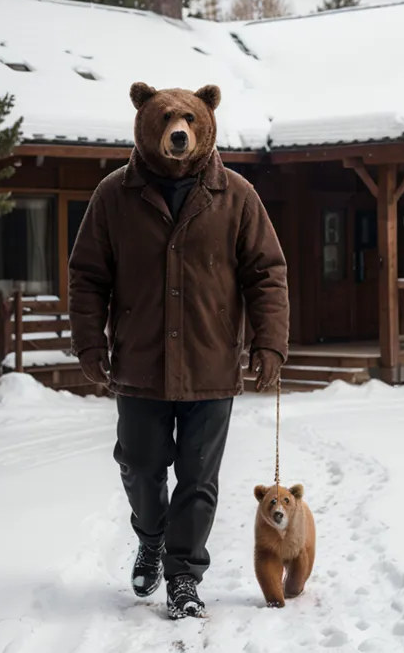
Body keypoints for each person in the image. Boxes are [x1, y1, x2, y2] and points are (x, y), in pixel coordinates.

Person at [69, 82, 289, 619]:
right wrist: (88, 342)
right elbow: (87, 277)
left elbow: (267, 274)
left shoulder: (236, 195)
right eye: (167, 119)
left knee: (197, 479)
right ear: (145, 120)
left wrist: (270, 343)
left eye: (189, 119)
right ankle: (151, 536)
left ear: (206, 120)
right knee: (140, 465)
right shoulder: (112, 196)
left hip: (211, 364)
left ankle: (184, 576)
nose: (179, 129)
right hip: (140, 363)